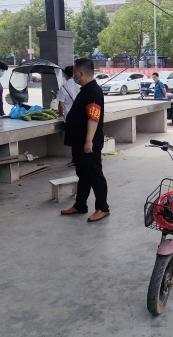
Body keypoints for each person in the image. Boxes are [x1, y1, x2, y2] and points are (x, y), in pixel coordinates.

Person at [60, 58, 110, 223]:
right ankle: (80, 204)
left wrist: (89, 140)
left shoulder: (93, 92)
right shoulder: (85, 89)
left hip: (88, 142)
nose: (74, 76)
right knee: (83, 174)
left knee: (95, 174)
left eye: (75, 73)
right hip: (79, 141)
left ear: (80, 74)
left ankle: (102, 208)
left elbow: (93, 118)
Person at [57, 65, 81, 168]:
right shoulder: (80, 85)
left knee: (74, 140)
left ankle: (75, 160)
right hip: (80, 115)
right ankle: (81, 159)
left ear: (65, 75)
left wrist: (60, 114)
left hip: (70, 117)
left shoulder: (64, 87)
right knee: (80, 138)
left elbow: (61, 105)